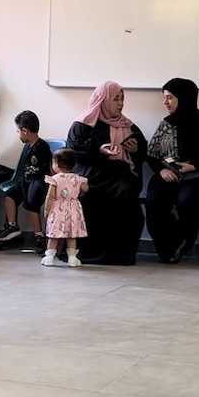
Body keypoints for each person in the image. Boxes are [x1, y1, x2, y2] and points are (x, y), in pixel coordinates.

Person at [66, 81, 147, 265]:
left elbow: (142, 152)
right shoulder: (82, 124)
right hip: (90, 172)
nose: (120, 104)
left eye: (122, 99)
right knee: (87, 195)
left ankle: (120, 254)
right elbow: (73, 152)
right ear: (103, 100)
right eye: (116, 99)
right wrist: (99, 150)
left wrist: (135, 149)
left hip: (118, 172)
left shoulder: (127, 125)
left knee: (125, 192)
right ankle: (85, 252)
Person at [146, 78, 199, 263]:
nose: (165, 102)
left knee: (187, 200)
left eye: (170, 98)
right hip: (169, 174)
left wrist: (194, 165)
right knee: (154, 198)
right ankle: (165, 248)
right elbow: (151, 153)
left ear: (184, 98)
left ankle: (181, 241)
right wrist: (161, 171)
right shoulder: (166, 123)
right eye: (164, 98)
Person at [0, 111, 52, 246]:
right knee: (9, 196)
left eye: (18, 131)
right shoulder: (27, 146)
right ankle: (12, 226)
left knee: (31, 202)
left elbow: (47, 171)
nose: (18, 134)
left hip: (39, 182)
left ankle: (39, 235)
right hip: (26, 181)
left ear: (25, 131)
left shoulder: (42, 147)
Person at [42, 149, 88, 268]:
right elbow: (86, 189)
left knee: (54, 235)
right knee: (71, 235)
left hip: (58, 210)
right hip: (74, 210)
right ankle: (72, 258)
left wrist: (46, 209)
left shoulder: (55, 179)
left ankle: (49, 257)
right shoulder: (78, 178)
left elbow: (50, 196)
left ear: (57, 164)